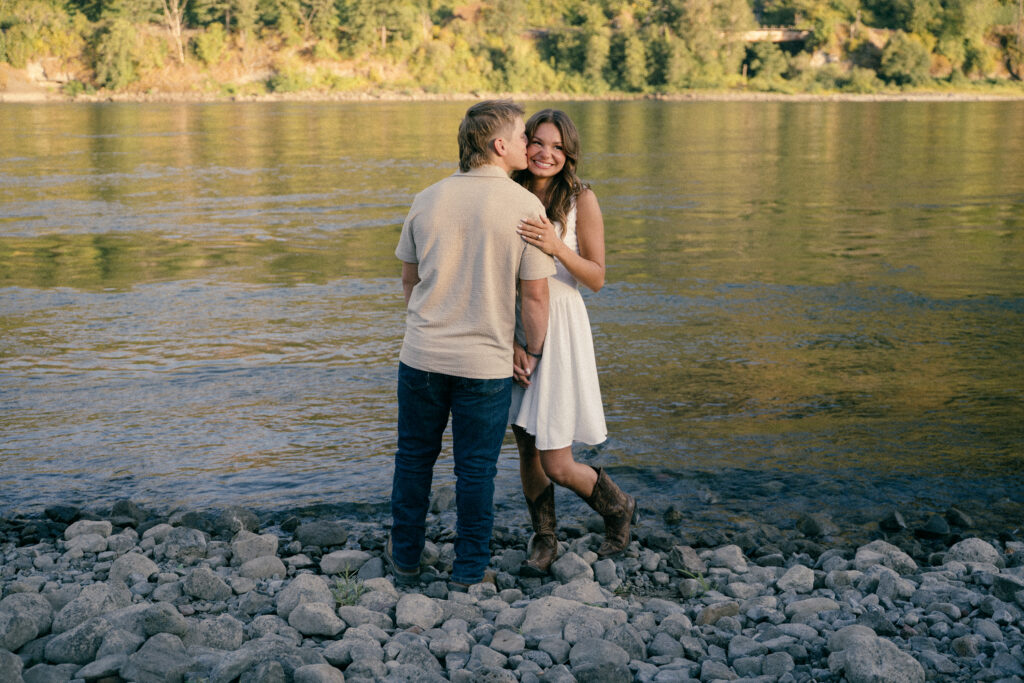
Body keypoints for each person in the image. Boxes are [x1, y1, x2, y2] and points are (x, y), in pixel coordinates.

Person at [390, 100, 556, 589]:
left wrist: (431, 323)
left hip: (420, 355)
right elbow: (535, 295)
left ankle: (405, 560)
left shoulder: (427, 197)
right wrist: (532, 350)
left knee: (414, 460)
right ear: (499, 145)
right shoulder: (526, 207)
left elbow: (409, 280)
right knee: (476, 471)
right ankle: (467, 571)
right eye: (524, 135)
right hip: (484, 363)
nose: (530, 144)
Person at [509, 109, 637, 576]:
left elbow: (597, 277)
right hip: (515, 324)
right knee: (525, 443)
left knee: (556, 458)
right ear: (524, 146)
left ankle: (618, 506)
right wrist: (509, 339)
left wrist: (556, 245)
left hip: (560, 324)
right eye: (538, 143)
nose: (546, 153)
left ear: (569, 154)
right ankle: (545, 538)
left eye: (558, 147)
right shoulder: (509, 192)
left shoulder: (582, 198)